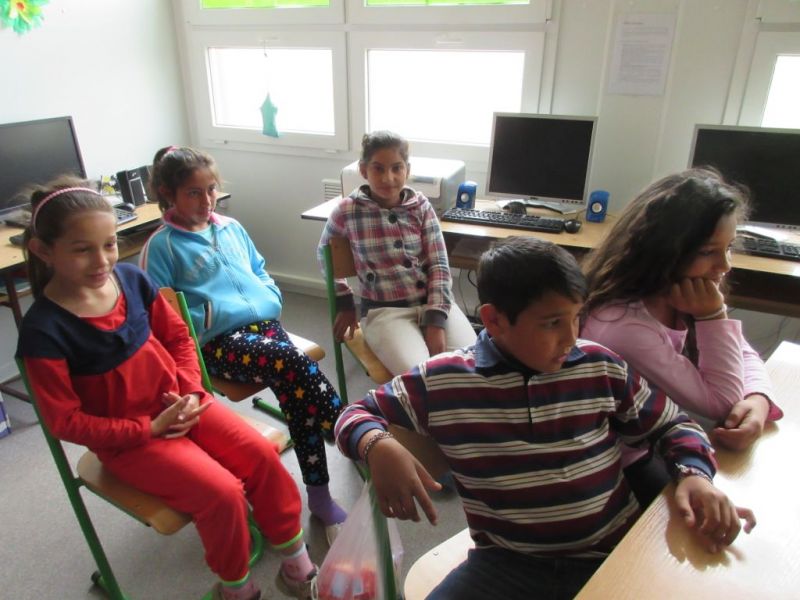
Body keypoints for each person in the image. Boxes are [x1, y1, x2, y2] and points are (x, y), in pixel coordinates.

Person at [334, 236, 756, 600]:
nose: (572, 337)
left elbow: (672, 424)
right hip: (507, 563)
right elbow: (353, 414)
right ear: (494, 320)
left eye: (576, 317)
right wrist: (378, 445)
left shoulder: (598, 366)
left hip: (611, 550)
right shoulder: (443, 380)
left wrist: (695, 476)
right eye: (553, 323)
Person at [16, 179, 318, 600]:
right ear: (43, 251)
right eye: (82, 249)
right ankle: (236, 588)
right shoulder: (44, 331)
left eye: (109, 245)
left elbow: (178, 337)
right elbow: (65, 422)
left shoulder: (130, 280)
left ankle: (296, 562)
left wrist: (192, 392)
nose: (102, 260)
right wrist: (148, 429)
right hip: (132, 440)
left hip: (186, 405)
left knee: (261, 457)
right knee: (222, 494)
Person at [139, 146, 347, 543]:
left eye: (211, 189)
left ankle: (319, 492)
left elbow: (258, 268)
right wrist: (206, 319)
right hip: (217, 342)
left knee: (296, 392)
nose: (206, 200)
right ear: (168, 194)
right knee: (294, 364)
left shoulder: (231, 227)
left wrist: (269, 294)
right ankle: (347, 426)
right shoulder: (162, 246)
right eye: (193, 193)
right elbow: (160, 316)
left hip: (265, 325)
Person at [582, 167, 783, 505]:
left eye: (728, 248)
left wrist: (758, 399)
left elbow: (742, 352)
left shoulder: (678, 291)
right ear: (664, 251)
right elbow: (722, 404)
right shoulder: (623, 325)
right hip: (622, 464)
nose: (725, 265)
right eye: (708, 251)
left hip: (668, 437)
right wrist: (713, 317)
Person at [317, 131, 476, 376]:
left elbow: (439, 264)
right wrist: (344, 300)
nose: (388, 178)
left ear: (407, 170)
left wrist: (435, 320)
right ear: (363, 170)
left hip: (433, 303)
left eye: (396, 168)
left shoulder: (421, 206)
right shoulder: (347, 211)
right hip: (385, 313)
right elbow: (324, 254)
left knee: (474, 367)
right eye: (378, 168)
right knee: (423, 377)